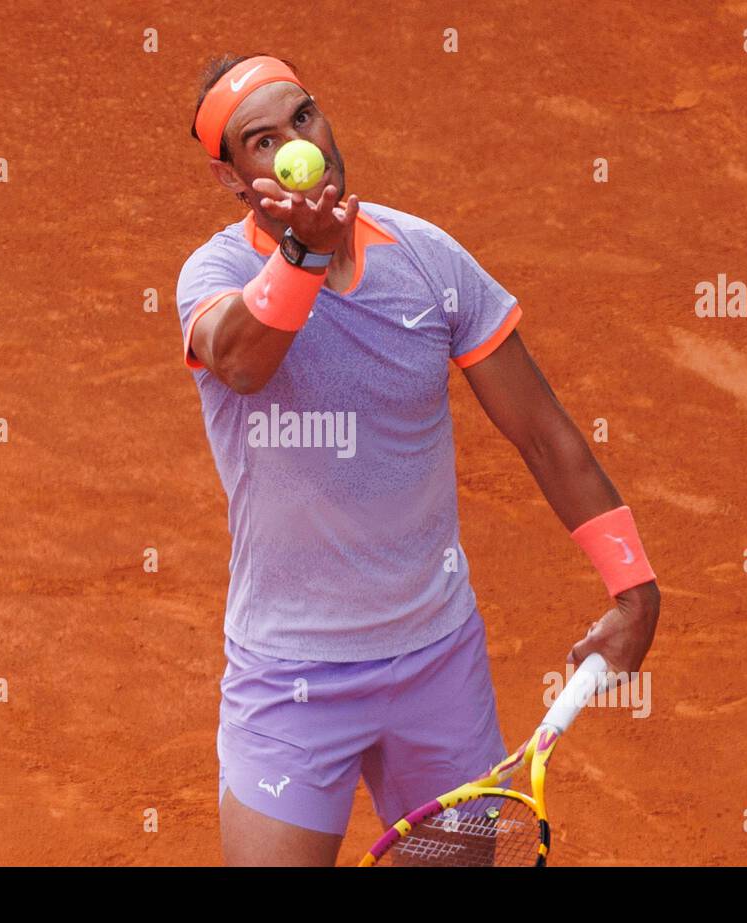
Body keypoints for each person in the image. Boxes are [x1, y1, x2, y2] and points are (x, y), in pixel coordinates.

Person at [175, 53, 660, 866]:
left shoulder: (428, 261)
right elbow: (242, 361)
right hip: (292, 678)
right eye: (262, 141)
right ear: (233, 178)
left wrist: (633, 587)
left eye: (303, 118)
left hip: (436, 665)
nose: (299, 145)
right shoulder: (217, 274)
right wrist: (299, 256)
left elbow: (543, 432)